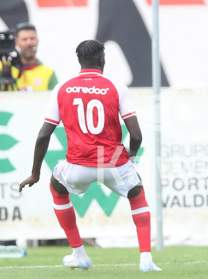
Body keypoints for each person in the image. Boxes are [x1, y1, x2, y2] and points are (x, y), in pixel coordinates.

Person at [19, 39, 161, 272]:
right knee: (137, 195)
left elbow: (44, 134)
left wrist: (34, 173)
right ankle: (146, 259)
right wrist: (130, 159)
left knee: (57, 187)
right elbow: (136, 135)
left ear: (79, 61)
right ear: (103, 59)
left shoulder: (62, 88)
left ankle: (79, 253)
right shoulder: (117, 87)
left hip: (77, 164)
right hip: (113, 162)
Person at [14, 22, 58, 91]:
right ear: (16, 42)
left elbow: (54, 100)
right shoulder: (5, 70)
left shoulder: (48, 73)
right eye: (24, 39)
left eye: (32, 38)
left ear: (37, 40)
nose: (29, 43)